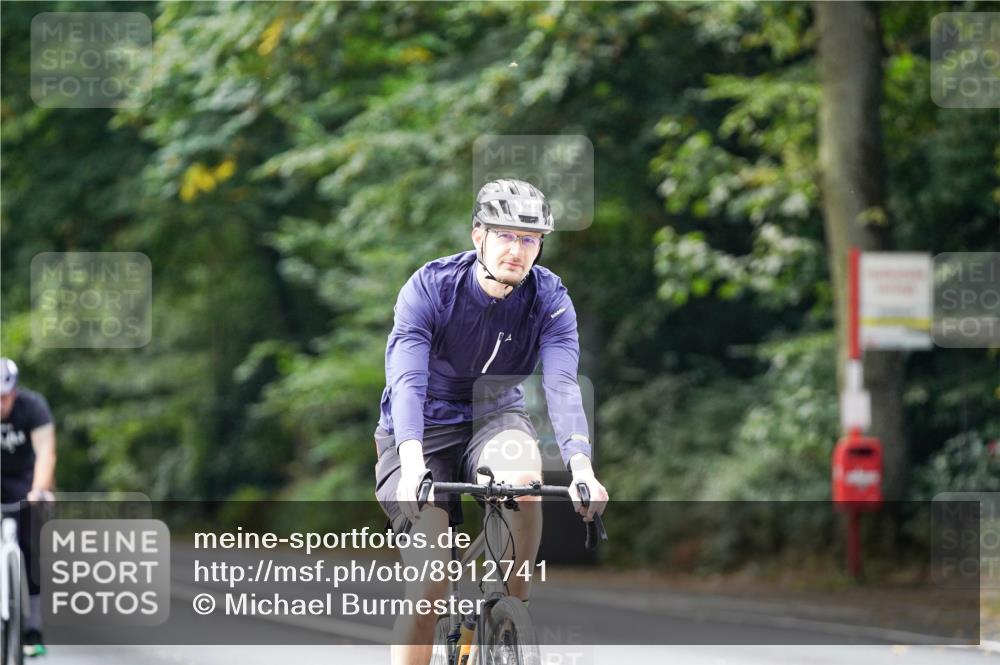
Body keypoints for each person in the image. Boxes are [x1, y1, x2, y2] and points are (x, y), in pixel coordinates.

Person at [373, 179, 609, 665]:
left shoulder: (549, 299)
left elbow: (562, 385)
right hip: (422, 427)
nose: (517, 250)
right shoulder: (431, 288)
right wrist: (413, 464)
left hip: (495, 416)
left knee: (523, 480)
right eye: (505, 235)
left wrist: (582, 466)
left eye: (529, 239)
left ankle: (509, 612)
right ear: (478, 235)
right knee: (429, 586)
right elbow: (407, 383)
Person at [1, 358, 56, 658]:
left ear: (14, 392)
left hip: (25, 481)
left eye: (3, 398)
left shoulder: (33, 407)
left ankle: (33, 628)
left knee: (31, 544)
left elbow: (46, 452)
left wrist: (40, 490)